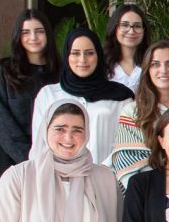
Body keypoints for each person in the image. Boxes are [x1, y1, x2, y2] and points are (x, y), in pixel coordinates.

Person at [31, 28, 133, 167]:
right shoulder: (49, 94)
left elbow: (127, 144)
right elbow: (39, 144)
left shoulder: (121, 97)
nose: (82, 60)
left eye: (89, 53)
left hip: (106, 179)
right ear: (67, 55)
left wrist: (101, 173)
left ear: (98, 55)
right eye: (75, 53)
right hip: (57, 179)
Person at [109, 41, 169, 190]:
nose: (163, 70)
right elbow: (127, 163)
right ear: (147, 70)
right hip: (148, 195)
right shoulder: (132, 112)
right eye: (155, 64)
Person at [0, 8, 58, 183]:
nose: (33, 37)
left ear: (48, 34)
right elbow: (1, 118)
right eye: (26, 32)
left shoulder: (61, 72)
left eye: (39, 31)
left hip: (54, 158)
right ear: (18, 36)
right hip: (12, 157)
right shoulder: (5, 70)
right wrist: (29, 158)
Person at [104, 4, 150, 92]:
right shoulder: (102, 63)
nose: (131, 31)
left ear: (144, 30)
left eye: (137, 26)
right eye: (125, 25)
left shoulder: (151, 62)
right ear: (115, 28)